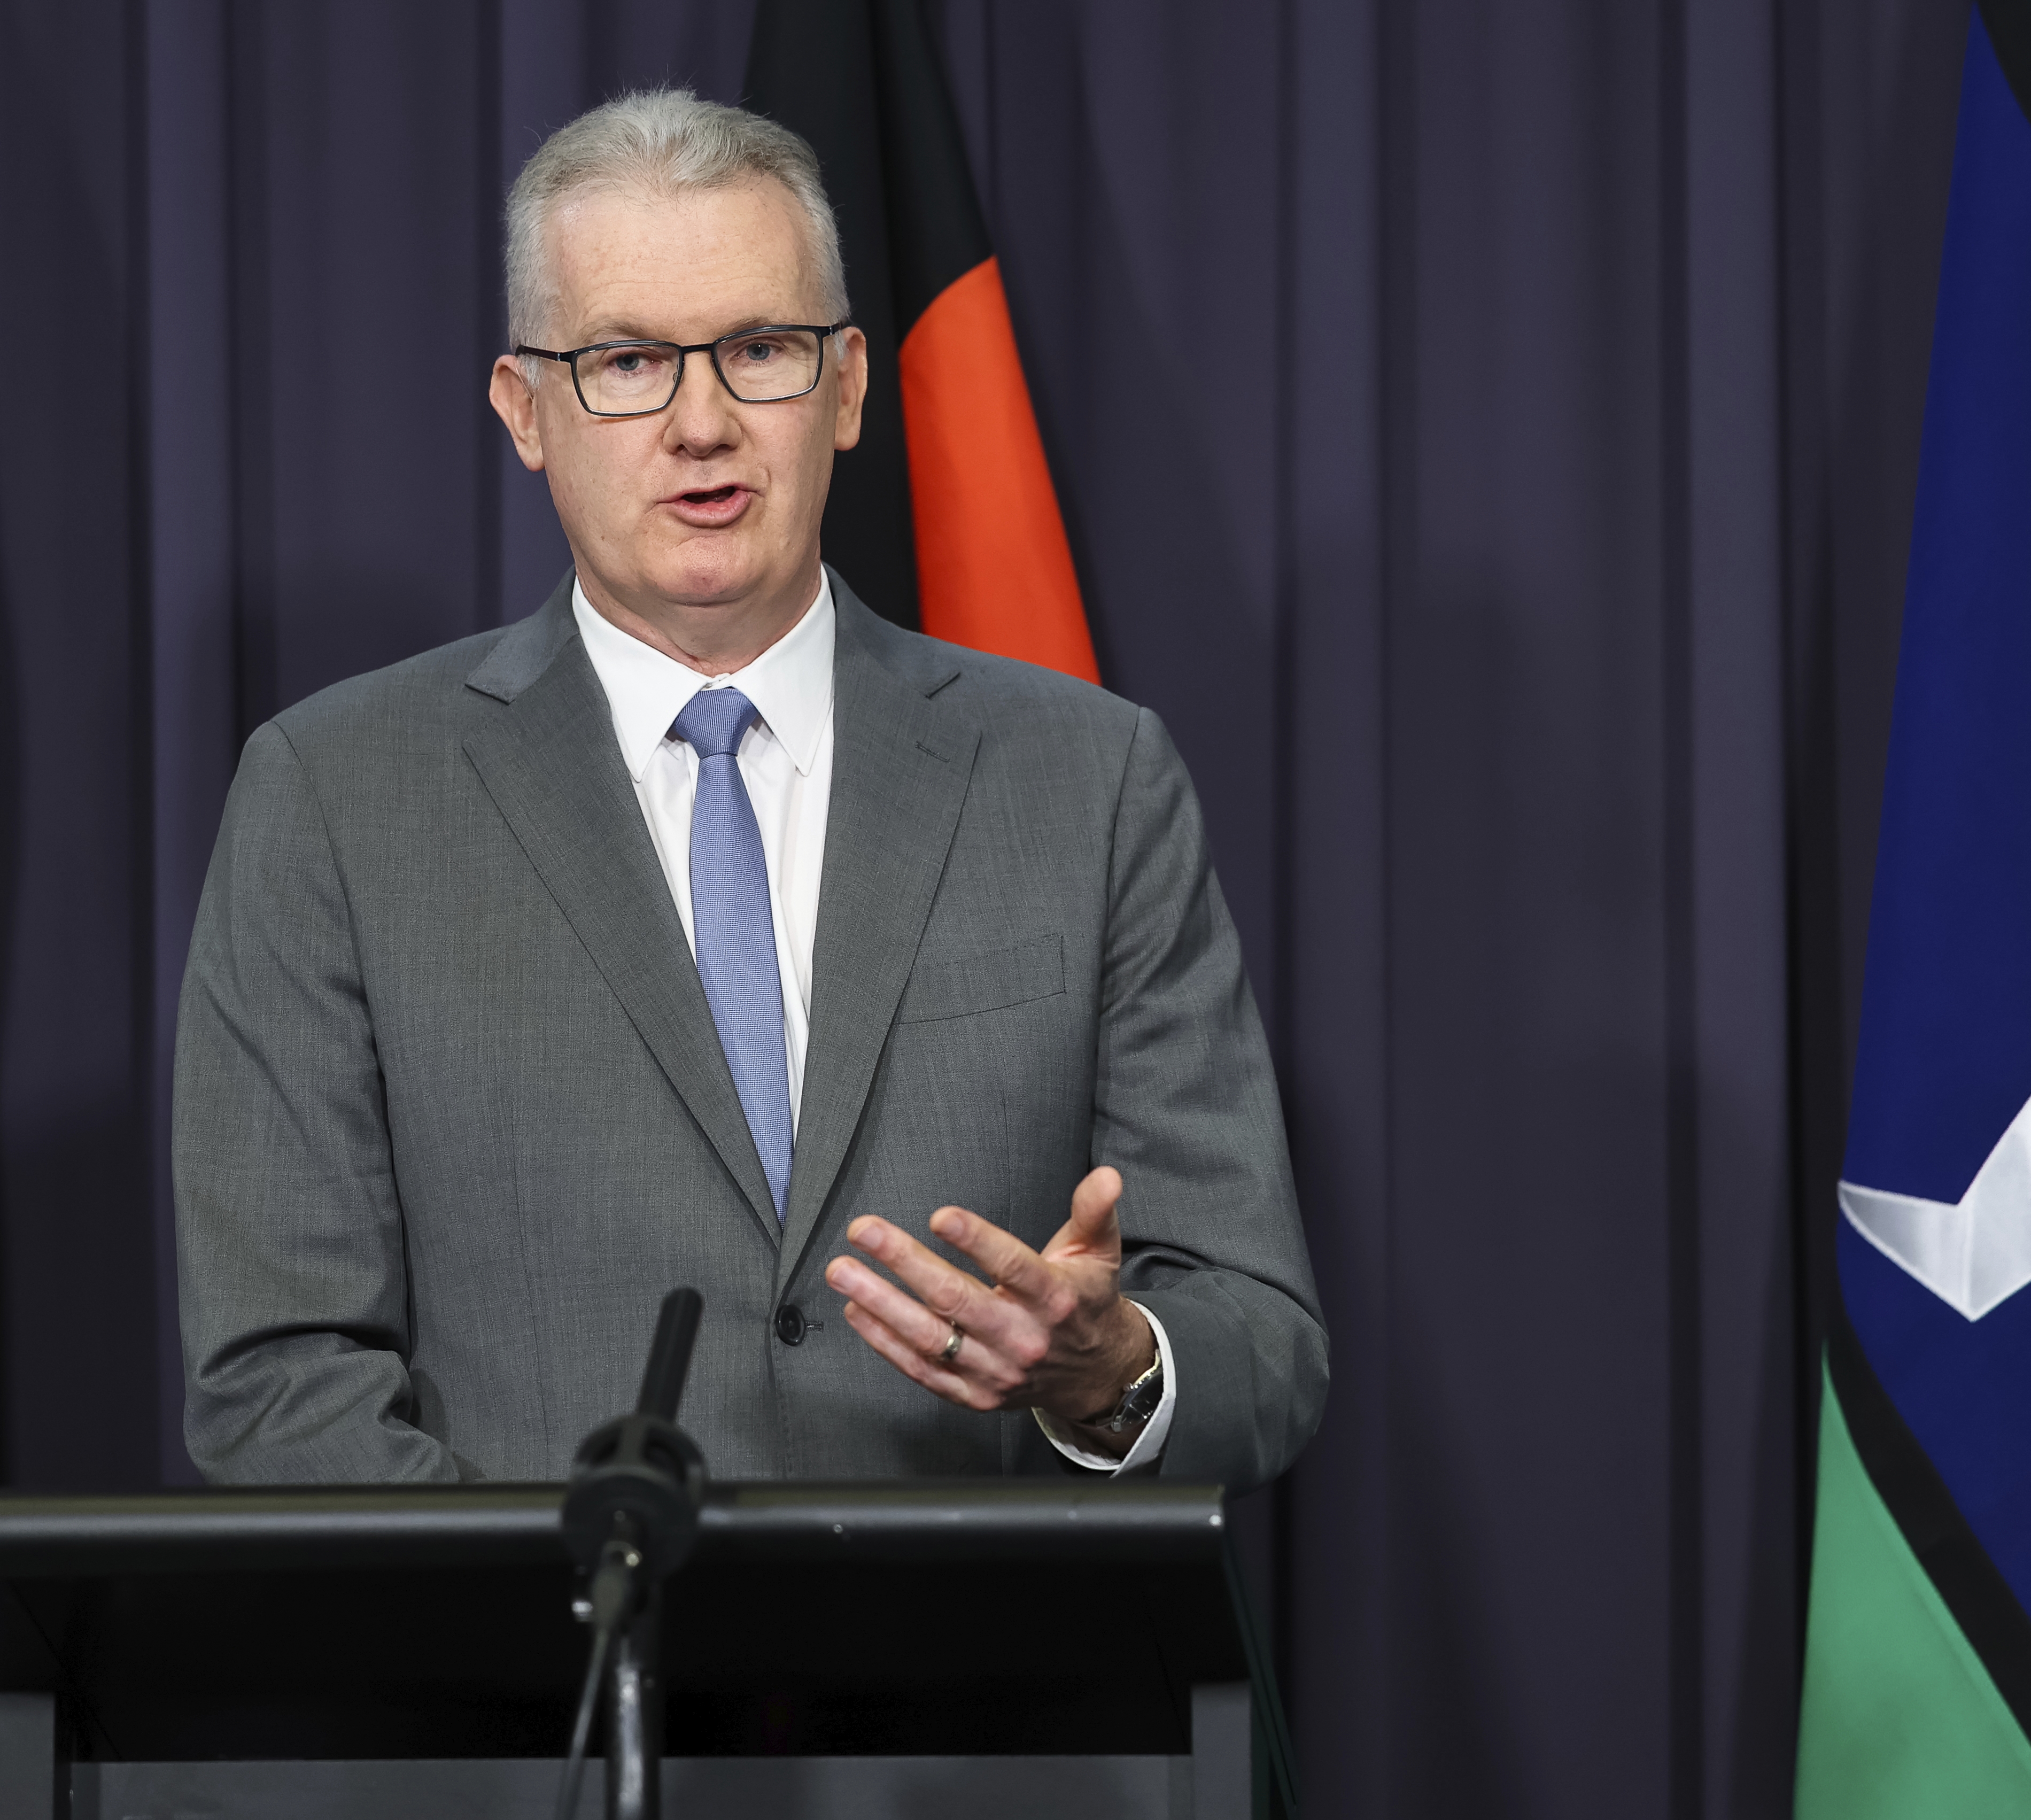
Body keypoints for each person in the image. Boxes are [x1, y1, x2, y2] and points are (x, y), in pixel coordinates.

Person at [172, 88, 1325, 1486]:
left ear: (846, 387)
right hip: (555, 1692)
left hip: (985, 1691)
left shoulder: (1086, 778)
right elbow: (278, 1387)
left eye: (758, 350)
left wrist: (1109, 1370)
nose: (700, 422)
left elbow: (1255, 1344)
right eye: (624, 362)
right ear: (524, 409)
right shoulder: (335, 801)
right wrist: (592, 1632)